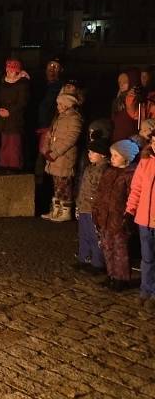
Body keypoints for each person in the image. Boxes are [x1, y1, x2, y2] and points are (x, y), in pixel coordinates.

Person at [93, 139, 140, 292]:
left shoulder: (130, 175)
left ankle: (121, 278)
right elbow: (100, 193)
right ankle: (111, 274)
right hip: (105, 217)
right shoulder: (109, 172)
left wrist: (128, 216)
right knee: (107, 247)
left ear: (126, 157)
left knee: (120, 249)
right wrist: (97, 210)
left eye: (115, 155)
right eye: (112, 155)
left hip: (119, 218)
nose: (111, 158)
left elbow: (132, 196)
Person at [41, 93, 83, 222]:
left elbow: (70, 139)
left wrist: (55, 152)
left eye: (60, 104)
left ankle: (65, 211)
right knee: (57, 184)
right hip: (56, 157)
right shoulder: (61, 117)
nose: (58, 106)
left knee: (64, 184)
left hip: (64, 157)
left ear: (67, 105)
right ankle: (56, 210)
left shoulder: (74, 118)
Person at [126, 132, 155, 309]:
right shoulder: (145, 162)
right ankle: (145, 290)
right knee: (147, 259)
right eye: (153, 141)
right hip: (144, 220)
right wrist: (130, 210)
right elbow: (136, 188)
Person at [74, 134, 110, 273]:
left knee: (96, 237)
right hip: (84, 207)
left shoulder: (103, 170)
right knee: (84, 235)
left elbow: (100, 191)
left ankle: (97, 263)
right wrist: (79, 203)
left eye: (93, 152)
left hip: (93, 209)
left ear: (102, 154)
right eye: (89, 152)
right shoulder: (90, 168)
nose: (90, 154)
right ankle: (84, 258)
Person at [0, 58, 30, 172]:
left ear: (17, 71)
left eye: (12, 70)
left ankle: (14, 166)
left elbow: (22, 102)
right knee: (5, 143)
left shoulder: (22, 84)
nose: (9, 72)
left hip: (15, 119)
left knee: (14, 144)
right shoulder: (4, 83)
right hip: (3, 120)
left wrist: (10, 111)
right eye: (8, 70)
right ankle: (4, 164)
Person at [111, 69, 142, 143]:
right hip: (117, 140)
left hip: (130, 141)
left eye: (125, 82)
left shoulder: (136, 99)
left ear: (133, 82)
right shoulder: (117, 101)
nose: (121, 84)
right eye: (119, 82)